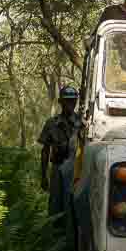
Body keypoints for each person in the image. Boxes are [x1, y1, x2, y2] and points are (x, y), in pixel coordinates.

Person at [38, 86, 84, 216]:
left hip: (76, 171)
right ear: (60, 101)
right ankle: (55, 233)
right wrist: (43, 176)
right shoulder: (51, 123)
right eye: (67, 101)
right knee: (55, 206)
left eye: (73, 101)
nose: (70, 104)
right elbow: (45, 151)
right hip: (57, 169)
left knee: (74, 205)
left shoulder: (82, 124)